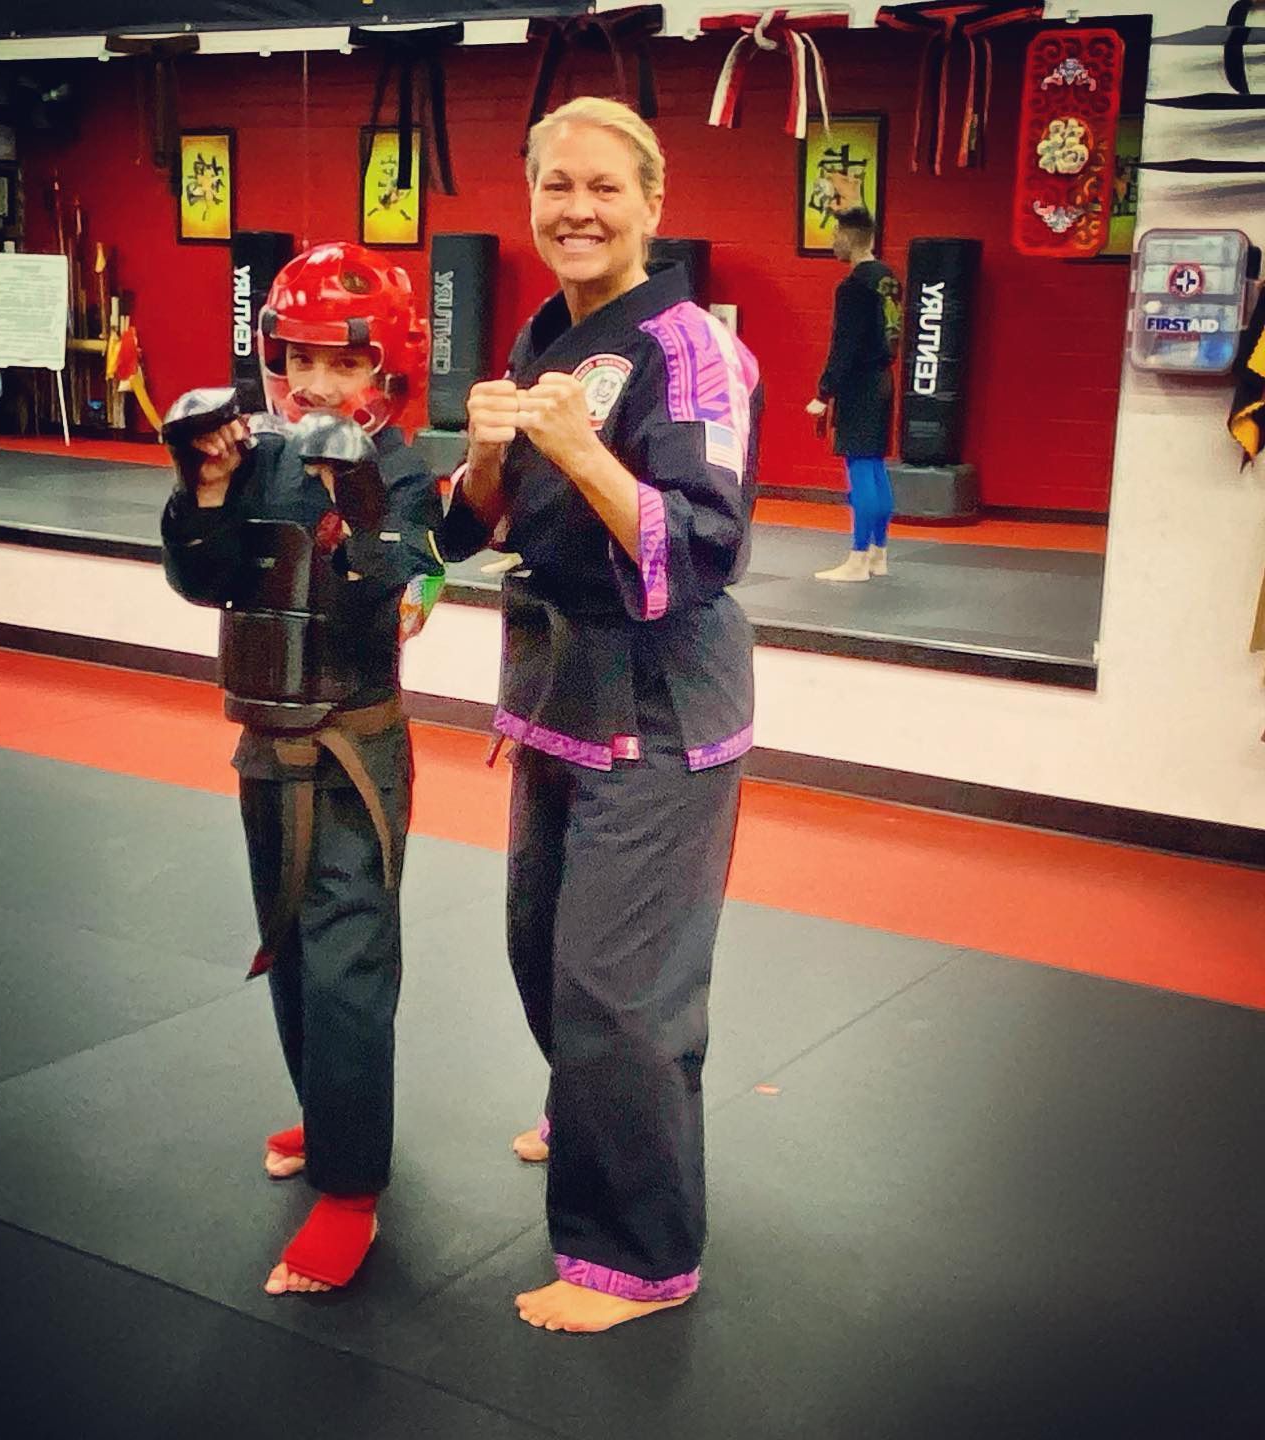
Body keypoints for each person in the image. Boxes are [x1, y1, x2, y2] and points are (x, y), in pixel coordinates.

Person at [438, 96, 762, 1335]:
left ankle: (638, 1256)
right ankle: (601, 1110)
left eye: (604, 188)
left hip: (666, 705)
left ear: (652, 202)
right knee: (546, 957)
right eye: (555, 185)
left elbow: (705, 547)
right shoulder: (544, 338)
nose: (577, 208)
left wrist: (582, 453)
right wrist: (483, 459)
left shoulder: (694, 352)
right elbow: (478, 526)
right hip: (560, 697)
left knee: (621, 989)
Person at [160, 242, 443, 1296]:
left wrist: (360, 501)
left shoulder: (406, 467)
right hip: (263, 741)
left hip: (353, 748)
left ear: (388, 367)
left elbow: (404, 583)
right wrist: (209, 486)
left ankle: (352, 1187)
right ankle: (331, 1118)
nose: (316, 385)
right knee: (288, 942)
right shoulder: (266, 456)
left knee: (348, 962)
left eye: (343, 361)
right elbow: (208, 581)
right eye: (297, 360)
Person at [806, 204, 901, 582]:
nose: (832, 243)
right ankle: (879, 553)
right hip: (883, 380)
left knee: (860, 470)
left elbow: (844, 344)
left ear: (848, 237)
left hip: (860, 384)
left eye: (834, 236)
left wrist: (824, 392)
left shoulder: (853, 286)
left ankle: (858, 558)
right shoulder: (888, 278)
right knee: (875, 468)